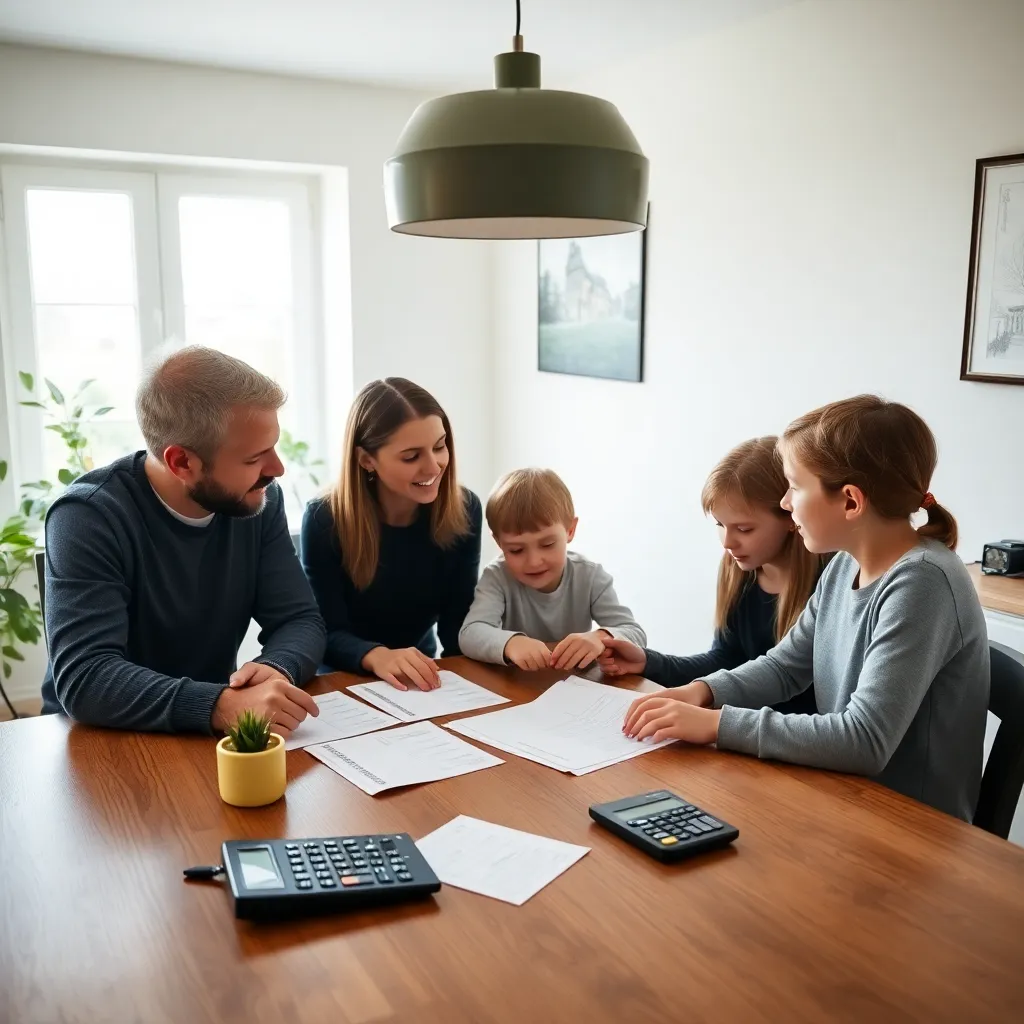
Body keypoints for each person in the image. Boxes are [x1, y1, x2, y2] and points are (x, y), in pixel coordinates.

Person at [623, 396, 989, 821]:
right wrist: (701, 692)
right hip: (843, 797)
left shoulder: (922, 583)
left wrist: (716, 724)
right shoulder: (843, 565)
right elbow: (785, 667)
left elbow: (864, 740)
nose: (784, 502)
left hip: (907, 826)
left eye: (795, 486)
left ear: (851, 502)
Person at [42, 346, 326, 736]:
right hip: (93, 739)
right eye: (254, 458)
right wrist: (221, 705)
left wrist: (277, 668)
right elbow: (87, 678)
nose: (277, 469)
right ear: (182, 463)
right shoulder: (87, 516)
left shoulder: (258, 501)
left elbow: (299, 619)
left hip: (201, 732)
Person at [600, 437, 821, 714]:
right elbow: (725, 662)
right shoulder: (737, 570)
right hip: (744, 735)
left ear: (790, 516)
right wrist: (647, 662)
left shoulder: (828, 582)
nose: (727, 542)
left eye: (744, 529)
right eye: (720, 524)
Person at [301, 378, 481, 692]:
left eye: (439, 447)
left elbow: (458, 628)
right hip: (342, 680)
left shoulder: (464, 509)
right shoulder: (324, 519)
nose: (433, 466)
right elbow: (323, 632)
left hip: (418, 677)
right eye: (411, 457)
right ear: (366, 459)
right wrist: (377, 655)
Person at [459, 468, 646, 674]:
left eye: (547, 544)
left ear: (570, 530)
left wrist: (600, 637)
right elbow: (470, 634)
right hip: (518, 686)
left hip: (576, 685)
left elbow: (635, 633)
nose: (534, 561)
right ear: (499, 543)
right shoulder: (497, 577)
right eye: (516, 550)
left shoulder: (590, 576)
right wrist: (511, 643)